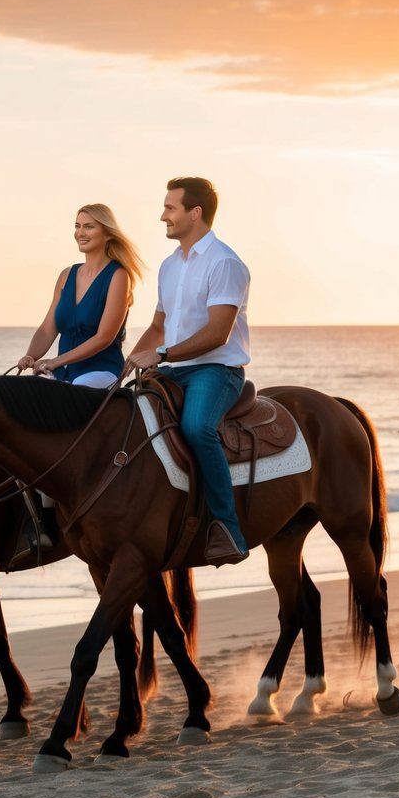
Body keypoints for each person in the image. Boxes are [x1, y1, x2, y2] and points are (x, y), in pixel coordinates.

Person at [129, 177, 251, 566]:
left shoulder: (225, 263)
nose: (163, 215)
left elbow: (218, 334)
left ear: (194, 213)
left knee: (197, 428)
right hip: (172, 366)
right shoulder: (168, 266)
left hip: (214, 370)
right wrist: (130, 361)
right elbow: (157, 327)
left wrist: (162, 355)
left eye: (170, 208)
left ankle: (227, 528)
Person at [17, 203, 144, 544]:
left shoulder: (119, 276)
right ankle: (41, 520)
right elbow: (48, 328)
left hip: (100, 372)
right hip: (64, 376)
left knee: (57, 428)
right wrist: (32, 354)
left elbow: (105, 336)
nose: (81, 232)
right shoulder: (67, 274)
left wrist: (56, 363)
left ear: (106, 232)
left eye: (89, 226)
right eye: (77, 226)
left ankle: (73, 508)